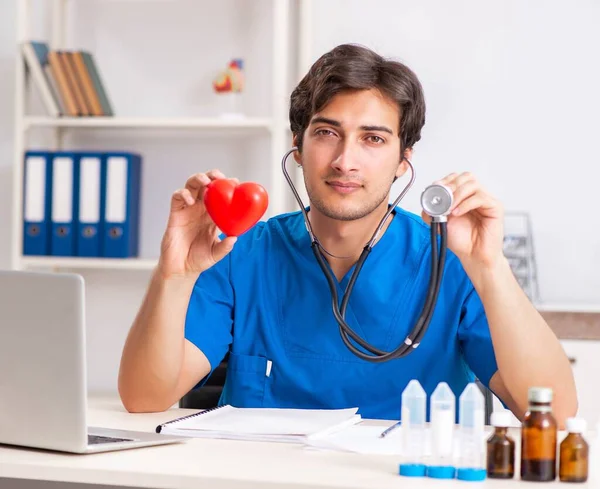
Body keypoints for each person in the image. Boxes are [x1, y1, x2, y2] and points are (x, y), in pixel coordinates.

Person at [118, 43, 577, 425]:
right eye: (326, 133)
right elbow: (144, 397)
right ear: (297, 147)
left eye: (373, 139)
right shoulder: (241, 252)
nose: (345, 161)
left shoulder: (451, 261)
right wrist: (174, 274)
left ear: (404, 160)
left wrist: (490, 268)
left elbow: (555, 414)